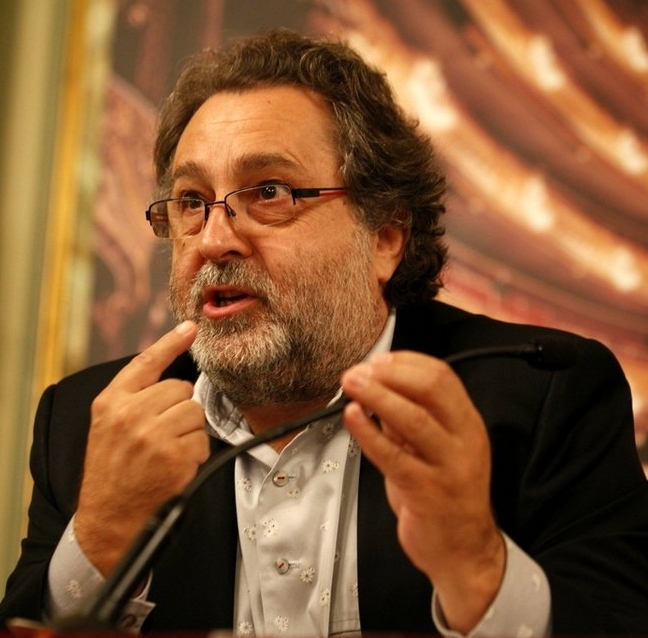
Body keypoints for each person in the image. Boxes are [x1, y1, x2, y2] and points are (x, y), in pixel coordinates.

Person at [1, 28, 648, 636]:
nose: (214, 240)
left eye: (270, 192)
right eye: (192, 202)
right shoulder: (86, 423)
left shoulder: (547, 397)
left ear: (385, 236)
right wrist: (99, 539)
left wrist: (478, 565)